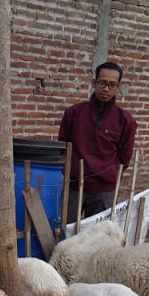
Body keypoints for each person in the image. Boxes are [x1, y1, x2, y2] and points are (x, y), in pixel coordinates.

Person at [58, 62, 137, 222]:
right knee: (66, 231)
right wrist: (68, 170)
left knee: (97, 235)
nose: (106, 88)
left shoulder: (125, 120)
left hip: (104, 189)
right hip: (73, 185)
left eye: (112, 84)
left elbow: (125, 156)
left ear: (118, 87)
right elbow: (62, 146)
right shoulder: (73, 113)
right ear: (94, 83)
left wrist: (111, 175)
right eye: (102, 83)